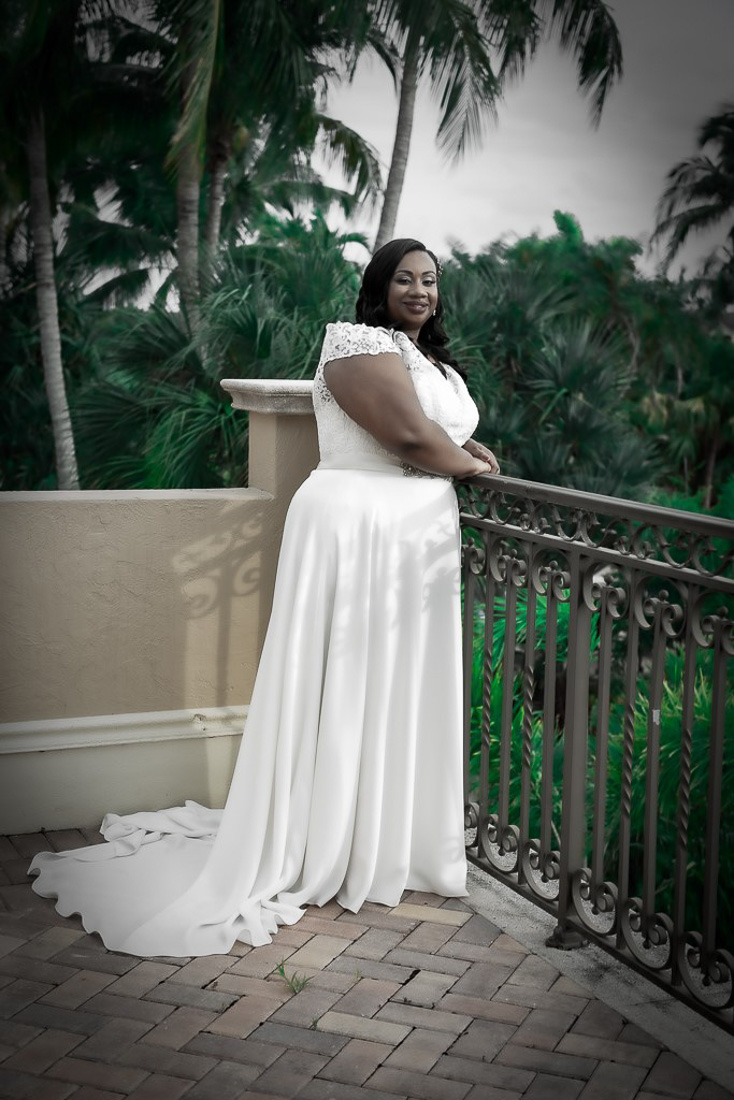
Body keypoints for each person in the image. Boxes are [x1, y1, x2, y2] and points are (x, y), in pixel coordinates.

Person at [28, 238, 499, 958]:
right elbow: (408, 436)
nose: (419, 290)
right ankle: (327, 836)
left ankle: (384, 835)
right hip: (359, 526)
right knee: (344, 679)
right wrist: (466, 463)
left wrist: (469, 453)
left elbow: (436, 430)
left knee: (396, 684)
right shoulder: (356, 341)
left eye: (430, 280)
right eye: (404, 278)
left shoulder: (434, 362)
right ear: (378, 287)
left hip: (414, 540)